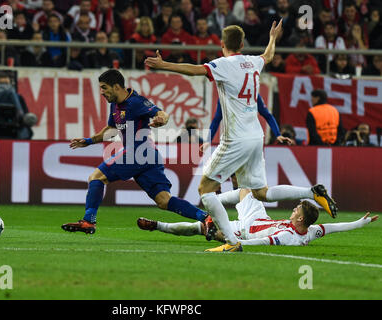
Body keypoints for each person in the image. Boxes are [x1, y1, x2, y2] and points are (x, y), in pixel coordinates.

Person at [145, 21, 338, 253]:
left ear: (222, 44)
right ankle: (312, 192)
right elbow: (268, 55)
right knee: (260, 192)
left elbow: (194, 69)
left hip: (235, 138)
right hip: (256, 135)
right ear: (243, 43)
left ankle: (231, 241)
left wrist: (162, 64)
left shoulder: (223, 64)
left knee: (205, 189)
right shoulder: (253, 61)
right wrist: (272, 37)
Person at [61, 69, 209, 234]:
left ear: (116, 86)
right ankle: (205, 217)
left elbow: (162, 113)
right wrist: (89, 141)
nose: (101, 92)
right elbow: (111, 129)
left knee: (96, 177)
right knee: (163, 200)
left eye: (104, 87)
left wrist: (161, 119)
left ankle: (88, 221)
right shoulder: (115, 105)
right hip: (148, 156)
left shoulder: (136, 102)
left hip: (138, 152)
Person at [137, 189, 378, 250]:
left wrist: (234, 243)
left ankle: (158, 226)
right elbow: (334, 227)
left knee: (198, 228)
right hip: (259, 218)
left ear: (301, 217)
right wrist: (360, 223)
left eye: (296, 210)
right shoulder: (310, 230)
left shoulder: (288, 236)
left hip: (245, 232)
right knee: (247, 190)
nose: (293, 210)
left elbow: (264, 243)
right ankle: (213, 198)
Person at [0, 72, 35, 139]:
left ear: (11, 84)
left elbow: (25, 114)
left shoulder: (19, 98)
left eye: (6, 83)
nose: (4, 87)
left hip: (15, 131)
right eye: (2, 84)